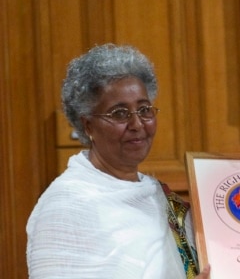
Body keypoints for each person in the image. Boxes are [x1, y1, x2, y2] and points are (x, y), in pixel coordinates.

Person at [26, 44, 211, 278]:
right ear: (88, 126)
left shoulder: (159, 197)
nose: (137, 124)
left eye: (144, 110)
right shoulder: (66, 205)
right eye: (119, 114)